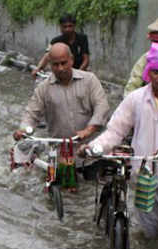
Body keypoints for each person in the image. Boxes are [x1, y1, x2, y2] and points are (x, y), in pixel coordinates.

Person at [80, 42, 158, 247]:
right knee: (149, 240)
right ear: (149, 71)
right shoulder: (135, 99)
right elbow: (115, 131)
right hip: (146, 182)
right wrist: (95, 148)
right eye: (157, 71)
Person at [13, 43, 109, 182]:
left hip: (89, 150)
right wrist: (23, 130)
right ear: (50, 65)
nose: (60, 68)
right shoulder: (43, 88)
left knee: (92, 192)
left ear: (71, 59)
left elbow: (102, 107)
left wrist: (89, 130)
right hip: (60, 153)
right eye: (55, 65)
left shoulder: (90, 80)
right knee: (58, 192)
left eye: (64, 63)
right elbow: (31, 113)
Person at [31, 14, 90, 80]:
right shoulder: (55, 41)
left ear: (74, 26)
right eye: (65, 27)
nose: (67, 29)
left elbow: (86, 59)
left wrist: (78, 73)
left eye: (70, 26)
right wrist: (38, 68)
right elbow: (47, 56)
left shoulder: (82, 38)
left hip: (80, 73)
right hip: (62, 74)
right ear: (60, 27)